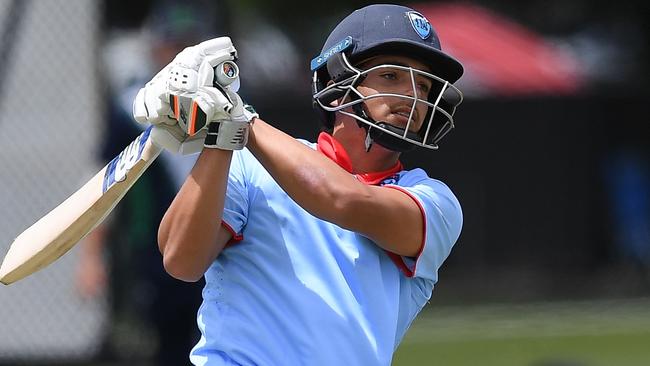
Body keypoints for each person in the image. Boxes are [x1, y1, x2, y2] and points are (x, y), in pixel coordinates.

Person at [133, 4, 464, 365]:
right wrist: (221, 133)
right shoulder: (248, 163)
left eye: (425, 84)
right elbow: (181, 260)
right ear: (336, 82)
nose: (412, 96)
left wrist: (240, 117)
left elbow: (342, 200)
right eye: (391, 77)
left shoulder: (435, 203)